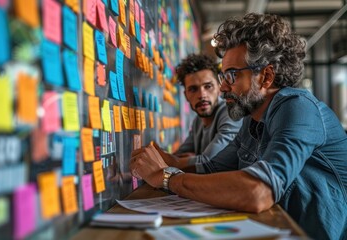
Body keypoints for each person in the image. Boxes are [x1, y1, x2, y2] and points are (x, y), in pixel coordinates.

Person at [130, 13, 347, 240]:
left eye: (231, 75)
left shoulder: (297, 107)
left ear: (266, 76)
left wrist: (167, 177)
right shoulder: (251, 118)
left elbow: (258, 192)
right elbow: (214, 168)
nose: (223, 88)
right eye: (223, 76)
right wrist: (164, 161)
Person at [159, 54, 242, 172]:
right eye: (193, 89)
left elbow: (208, 161)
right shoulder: (198, 121)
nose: (202, 95)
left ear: (219, 88)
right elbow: (178, 156)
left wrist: (172, 162)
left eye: (208, 86)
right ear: (186, 95)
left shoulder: (230, 113)